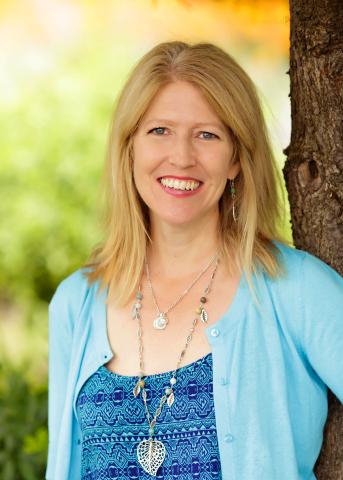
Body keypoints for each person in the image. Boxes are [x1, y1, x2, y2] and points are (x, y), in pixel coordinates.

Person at [46, 41, 343, 480]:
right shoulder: (77, 303)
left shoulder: (297, 291)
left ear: (237, 159)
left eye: (208, 134)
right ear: (129, 149)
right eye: (159, 131)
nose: (181, 157)